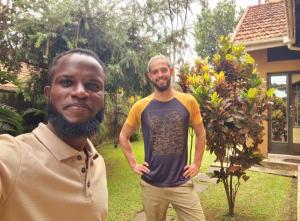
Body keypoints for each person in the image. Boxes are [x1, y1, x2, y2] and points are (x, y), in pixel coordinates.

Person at [0, 48, 108, 221]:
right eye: (66, 82)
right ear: (48, 94)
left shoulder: (97, 163)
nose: (80, 92)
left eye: (93, 85)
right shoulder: (13, 157)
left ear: (103, 99)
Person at [119, 54, 206, 221]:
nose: (160, 75)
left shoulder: (188, 101)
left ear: (171, 71)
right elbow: (123, 136)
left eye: (163, 70)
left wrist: (196, 163)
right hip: (152, 185)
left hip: (181, 182)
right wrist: (133, 164)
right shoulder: (140, 106)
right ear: (150, 76)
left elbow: (201, 132)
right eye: (155, 71)